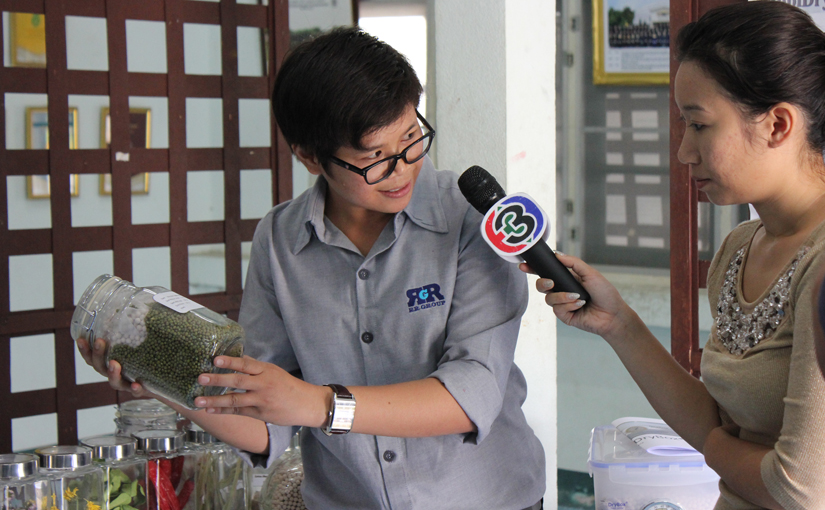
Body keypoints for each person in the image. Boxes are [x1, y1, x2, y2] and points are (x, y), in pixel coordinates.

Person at [76, 27, 546, 510]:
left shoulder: (470, 219)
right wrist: (162, 383)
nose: (403, 167)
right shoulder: (280, 242)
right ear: (308, 156)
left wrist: (318, 403)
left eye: (411, 138)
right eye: (374, 158)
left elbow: (473, 394)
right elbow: (265, 421)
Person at [523, 3, 825, 509]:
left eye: (700, 125)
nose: (684, 151)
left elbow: (799, 489)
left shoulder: (819, 267)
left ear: (776, 125)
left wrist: (714, 449)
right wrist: (618, 322)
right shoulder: (738, 249)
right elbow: (715, 420)